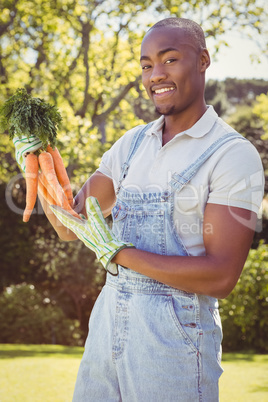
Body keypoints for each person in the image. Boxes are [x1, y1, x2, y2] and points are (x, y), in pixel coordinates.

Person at [15, 17, 264, 402]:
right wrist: (38, 164)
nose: (155, 75)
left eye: (170, 60)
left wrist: (119, 253)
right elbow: (70, 226)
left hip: (176, 340)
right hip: (107, 325)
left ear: (202, 60)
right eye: (147, 65)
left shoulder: (231, 155)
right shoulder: (130, 145)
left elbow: (221, 277)